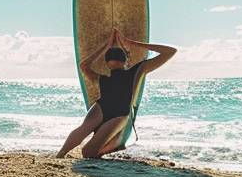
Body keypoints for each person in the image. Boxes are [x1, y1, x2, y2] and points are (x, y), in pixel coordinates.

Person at [55, 27, 176, 159]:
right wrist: (133, 43)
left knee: (82, 130)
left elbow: (84, 65)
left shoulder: (101, 79)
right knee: (87, 153)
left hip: (100, 108)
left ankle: (61, 154)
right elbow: (170, 51)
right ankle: (105, 148)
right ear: (125, 61)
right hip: (119, 115)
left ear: (107, 63)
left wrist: (105, 46)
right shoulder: (137, 71)